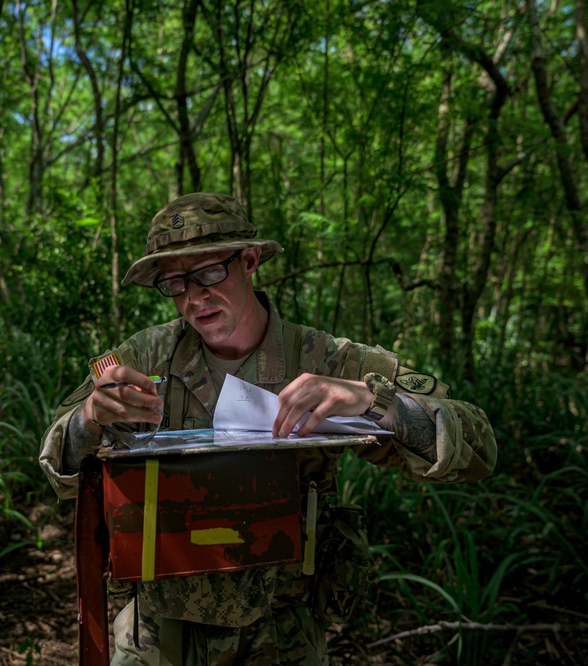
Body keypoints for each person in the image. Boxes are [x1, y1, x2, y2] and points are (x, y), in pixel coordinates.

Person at [40, 192, 497, 665]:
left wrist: (376, 402)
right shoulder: (146, 357)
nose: (194, 298)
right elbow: (58, 467)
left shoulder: (325, 359)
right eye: (175, 284)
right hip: (159, 631)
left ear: (250, 260)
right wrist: (88, 419)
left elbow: (478, 447)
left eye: (209, 273)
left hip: (282, 635)